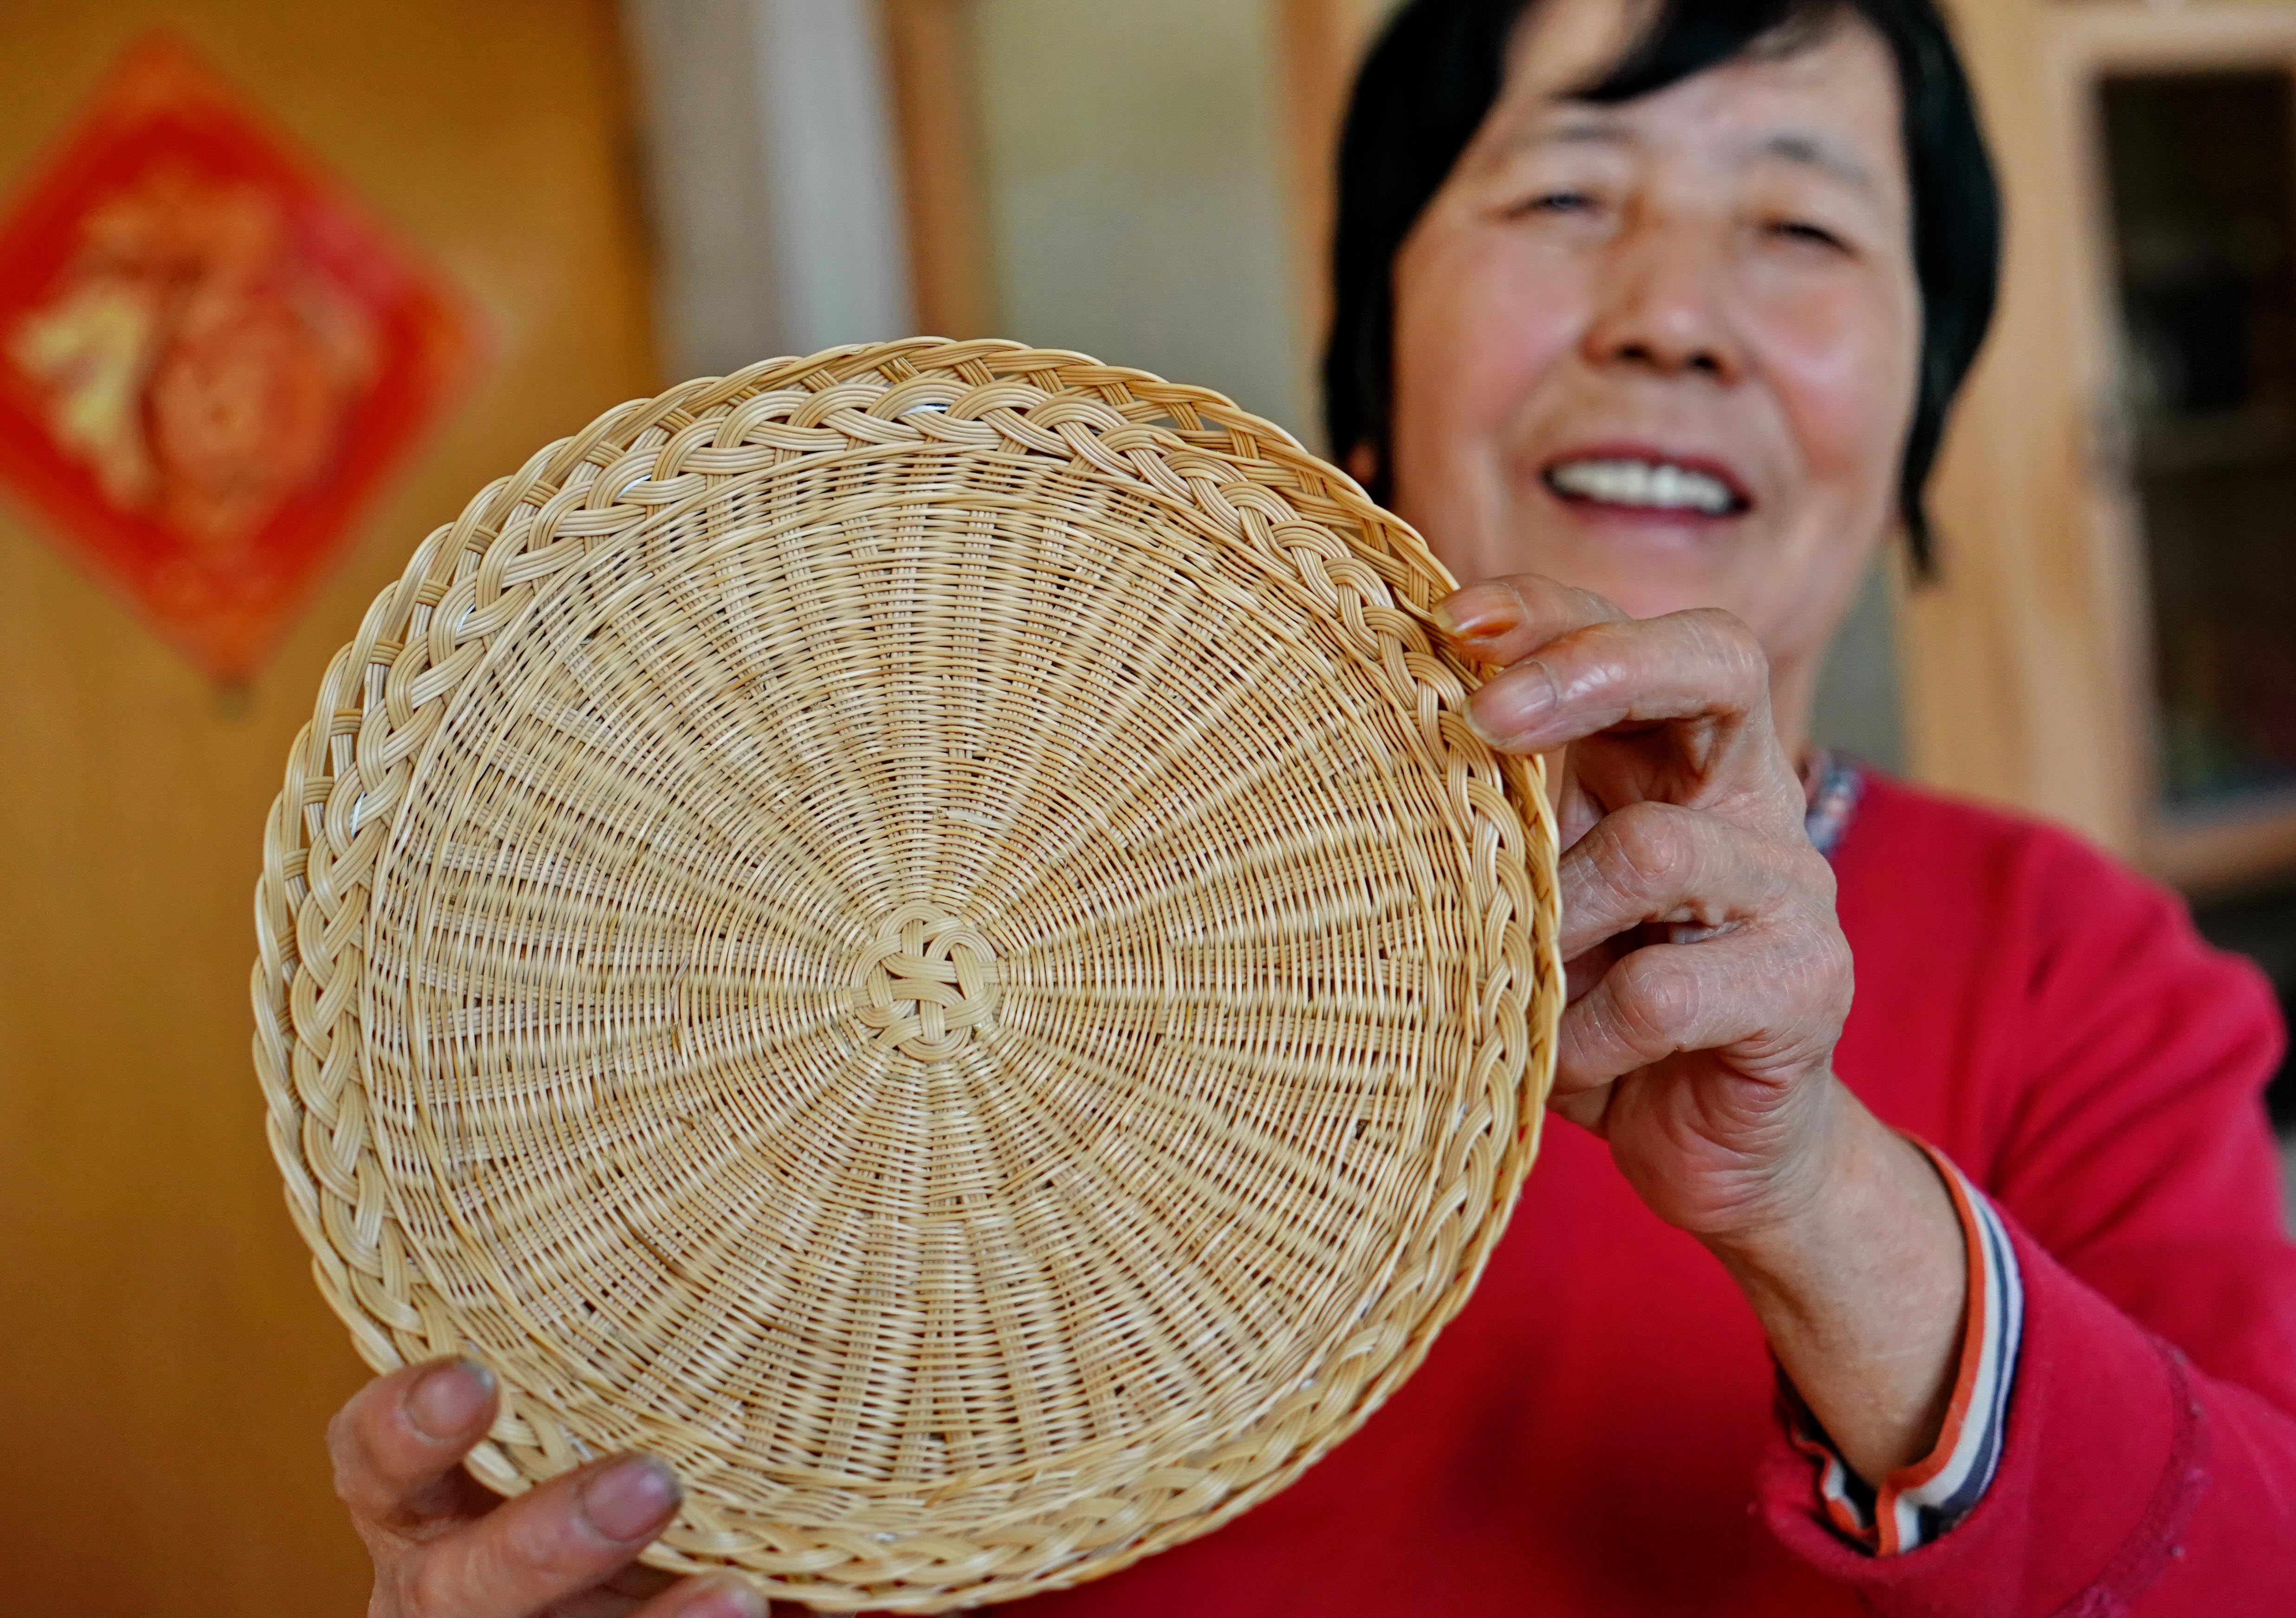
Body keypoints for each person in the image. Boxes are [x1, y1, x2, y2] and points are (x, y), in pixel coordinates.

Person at [321, 0, 2296, 1612]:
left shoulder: (2089, 975)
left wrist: (1811, 1196)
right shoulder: (945, 958)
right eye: (1563, 192)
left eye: (1801, 230)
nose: (1670, 312)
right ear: (1374, 364)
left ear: (1921, 404)